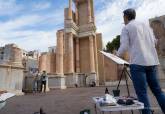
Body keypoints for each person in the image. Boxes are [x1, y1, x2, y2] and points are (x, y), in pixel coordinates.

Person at [117, 8, 165, 114]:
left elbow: (124, 46)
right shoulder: (147, 27)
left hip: (138, 63)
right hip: (152, 62)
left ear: (125, 17)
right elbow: (155, 42)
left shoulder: (126, 28)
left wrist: (116, 55)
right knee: (158, 91)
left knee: (142, 94)